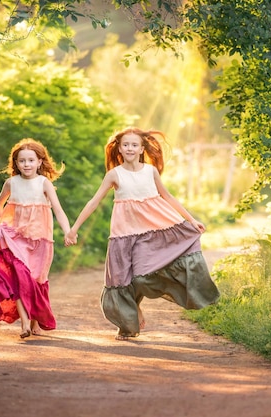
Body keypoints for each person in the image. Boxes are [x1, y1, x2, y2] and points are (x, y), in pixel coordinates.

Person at [65, 127, 220, 340]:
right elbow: (94, 201)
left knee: (142, 278)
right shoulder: (114, 174)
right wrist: (74, 229)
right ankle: (128, 325)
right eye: (126, 144)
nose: (130, 148)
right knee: (123, 279)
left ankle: (144, 305)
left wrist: (191, 220)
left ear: (141, 149)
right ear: (119, 149)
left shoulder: (150, 171)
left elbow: (167, 196)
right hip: (124, 234)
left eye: (134, 145)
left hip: (153, 232)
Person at [0, 138, 76, 339]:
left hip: (41, 239)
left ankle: (34, 322)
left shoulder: (44, 183)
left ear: (40, 162)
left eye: (30, 160)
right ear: (16, 164)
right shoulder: (11, 183)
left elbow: (59, 211)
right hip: (15, 237)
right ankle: (25, 324)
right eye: (22, 161)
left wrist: (68, 231)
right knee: (19, 276)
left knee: (36, 279)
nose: (26, 164)